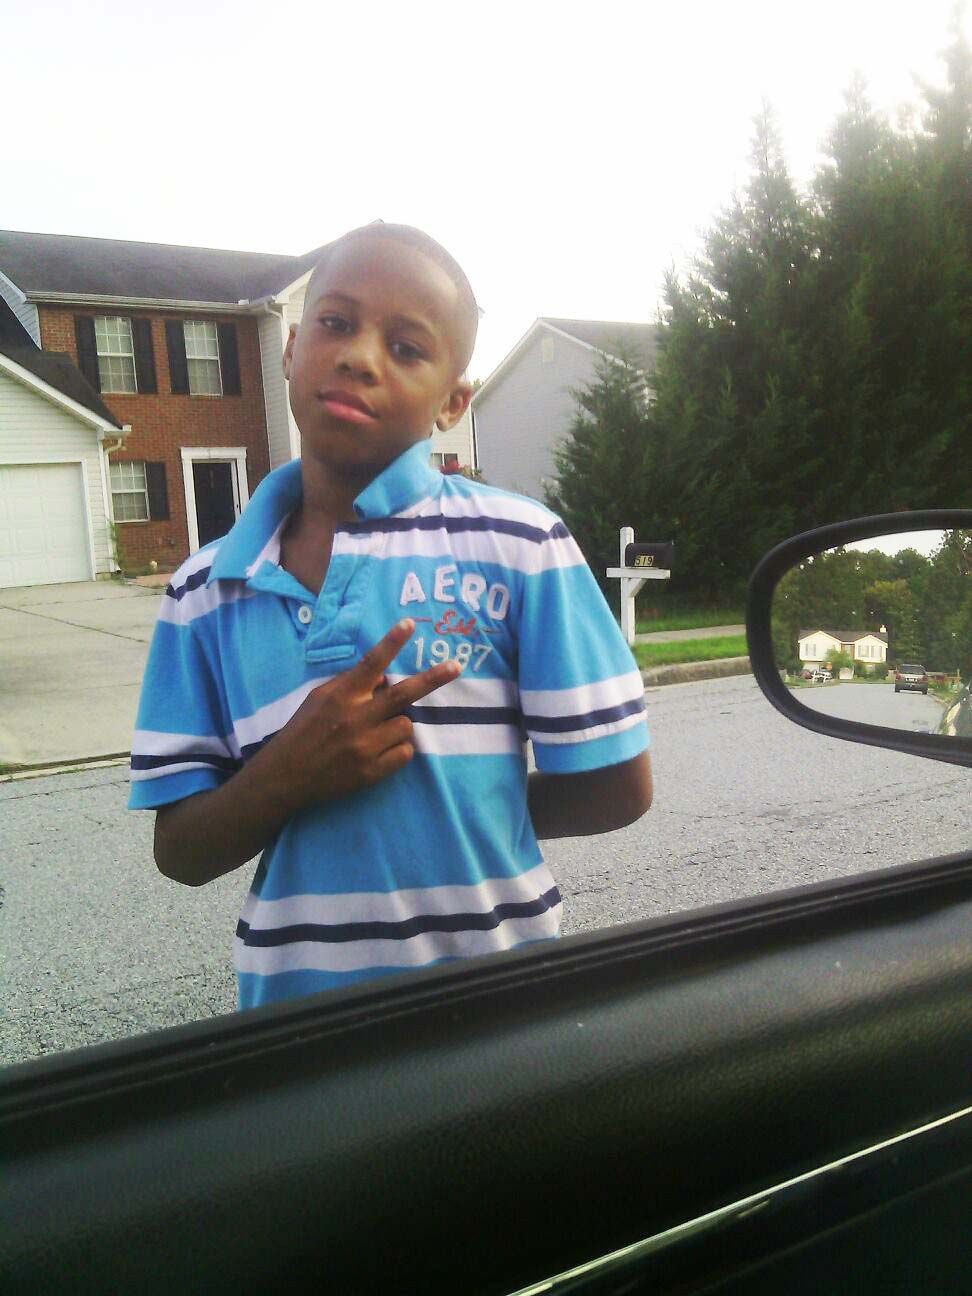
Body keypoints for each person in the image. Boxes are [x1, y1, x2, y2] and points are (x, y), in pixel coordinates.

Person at [130, 223, 653, 1009]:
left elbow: (617, 787)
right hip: (298, 1029)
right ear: (292, 349)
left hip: (503, 1009)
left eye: (407, 348)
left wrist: (470, 808)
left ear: (453, 402)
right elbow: (181, 852)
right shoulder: (202, 592)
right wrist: (288, 773)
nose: (360, 357)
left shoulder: (520, 546)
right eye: (335, 323)